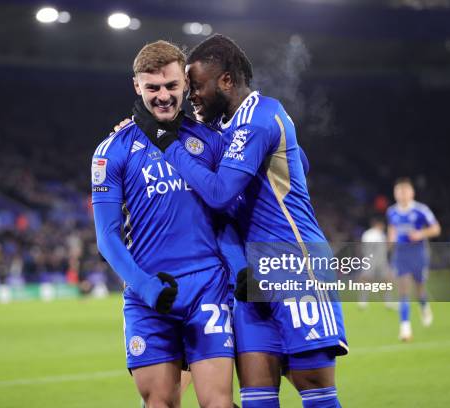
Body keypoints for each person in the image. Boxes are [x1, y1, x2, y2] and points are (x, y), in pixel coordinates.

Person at [133, 34, 348, 408]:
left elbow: (218, 193)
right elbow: (303, 162)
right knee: (256, 397)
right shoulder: (225, 130)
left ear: (226, 81)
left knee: (315, 392)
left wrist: (168, 144)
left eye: (196, 86)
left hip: (293, 264)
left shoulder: (261, 117)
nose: (192, 96)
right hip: (247, 279)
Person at [92, 40, 242, 408]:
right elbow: (108, 236)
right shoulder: (112, 150)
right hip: (149, 297)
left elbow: (230, 216)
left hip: (207, 288)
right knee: (159, 403)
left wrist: (239, 273)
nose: (163, 96)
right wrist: (143, 285)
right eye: (153, 87)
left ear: (186, 85)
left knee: (217, 404)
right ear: (136, 86)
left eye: (172, 86)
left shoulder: (211, 142)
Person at [387, 177, 441, 341]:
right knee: (403, 290)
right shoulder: (392, 211)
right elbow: (392, 230)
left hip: (418, 252)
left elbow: (436, 229)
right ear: (395, 193)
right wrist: (389, 245)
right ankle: (405, 328)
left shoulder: (421, 210)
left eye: (405, 191)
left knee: (419, 288)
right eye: (399, 192)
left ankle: (424, 306)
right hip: (401, 253)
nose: (402, 195)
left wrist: (420, 234)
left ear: (411, 193)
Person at [358, 218, 395, 309]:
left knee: (366, 280)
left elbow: (363, 248)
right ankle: (388, 301)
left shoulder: (366, 234)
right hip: (379, 260)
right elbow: (387, 247)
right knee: (386, 280)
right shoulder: (379, 234)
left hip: (369, 260)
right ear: (378, 224)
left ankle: (363, 302)